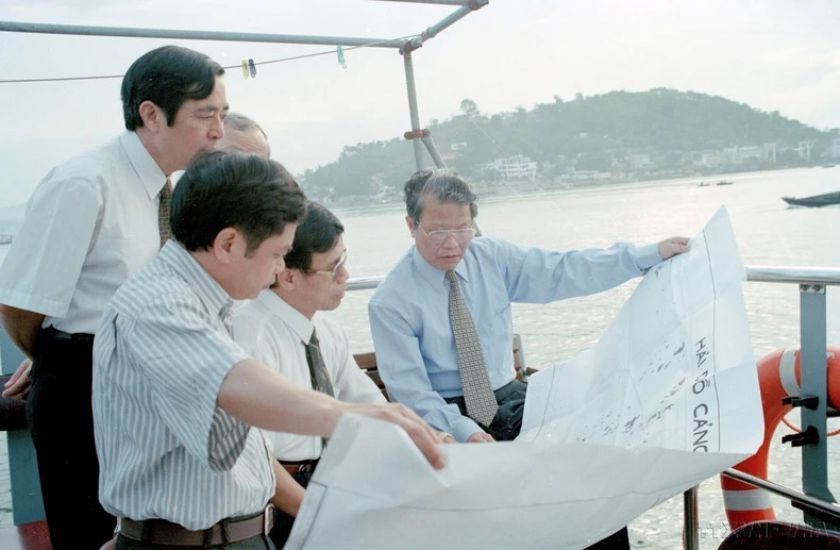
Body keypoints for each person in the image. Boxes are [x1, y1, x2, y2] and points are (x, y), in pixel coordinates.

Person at [93, 150, 445, 549]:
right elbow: (236, 384)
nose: (281, 271)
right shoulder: (159, 306)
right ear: (228, 243)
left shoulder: (210, 303)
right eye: (277, 254)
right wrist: (365, 417)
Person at [368, 168, 688, 549]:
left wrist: (646, 256)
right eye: (438, 231)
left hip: (510, 398)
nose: (453, 243)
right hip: (447, 413)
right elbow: (413, 395)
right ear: (411, 224)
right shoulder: (391, 301)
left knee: (593, 474)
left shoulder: (492, 257)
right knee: (506, 498)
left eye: (464, 228)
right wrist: (464, 431)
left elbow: (564, 269)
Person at [0, 45, 228, 549]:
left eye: (223, 115)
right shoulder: (84, 183)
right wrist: (54, 358)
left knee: (148, 531)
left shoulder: (169, 191)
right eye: (205, 114)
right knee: (89, 531)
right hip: (82, 385)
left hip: (153, 380)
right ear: (151, 114)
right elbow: (20, 304)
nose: (218, 130)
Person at [233, 201, 400, 547]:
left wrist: (428, 440)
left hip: (331, 477)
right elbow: (255, 461)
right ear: (288, 275)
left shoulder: (326, 331)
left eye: (345, 260)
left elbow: (368, 406)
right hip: (275, 501)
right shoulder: (250, 336)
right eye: (334, 267)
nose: (346, 277)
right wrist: (318, 513)